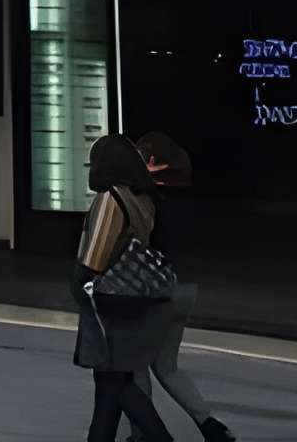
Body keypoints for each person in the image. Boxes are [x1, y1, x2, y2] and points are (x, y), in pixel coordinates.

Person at [129, 132, 236, 442]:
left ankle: (143, 434)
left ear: (152, 162)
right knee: (167, 366)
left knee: (135, 365)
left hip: (156, 291)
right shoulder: (188, 198)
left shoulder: (148, 200)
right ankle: (211, 426)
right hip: (187, 288)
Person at [73, 136, 175, 442]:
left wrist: (77, 287)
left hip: (108, 298)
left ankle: (161, 437)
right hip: (136, 298)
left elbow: (95, 257)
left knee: (114, 380)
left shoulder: (111, 198)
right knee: (111, 382)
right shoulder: (144, 198)